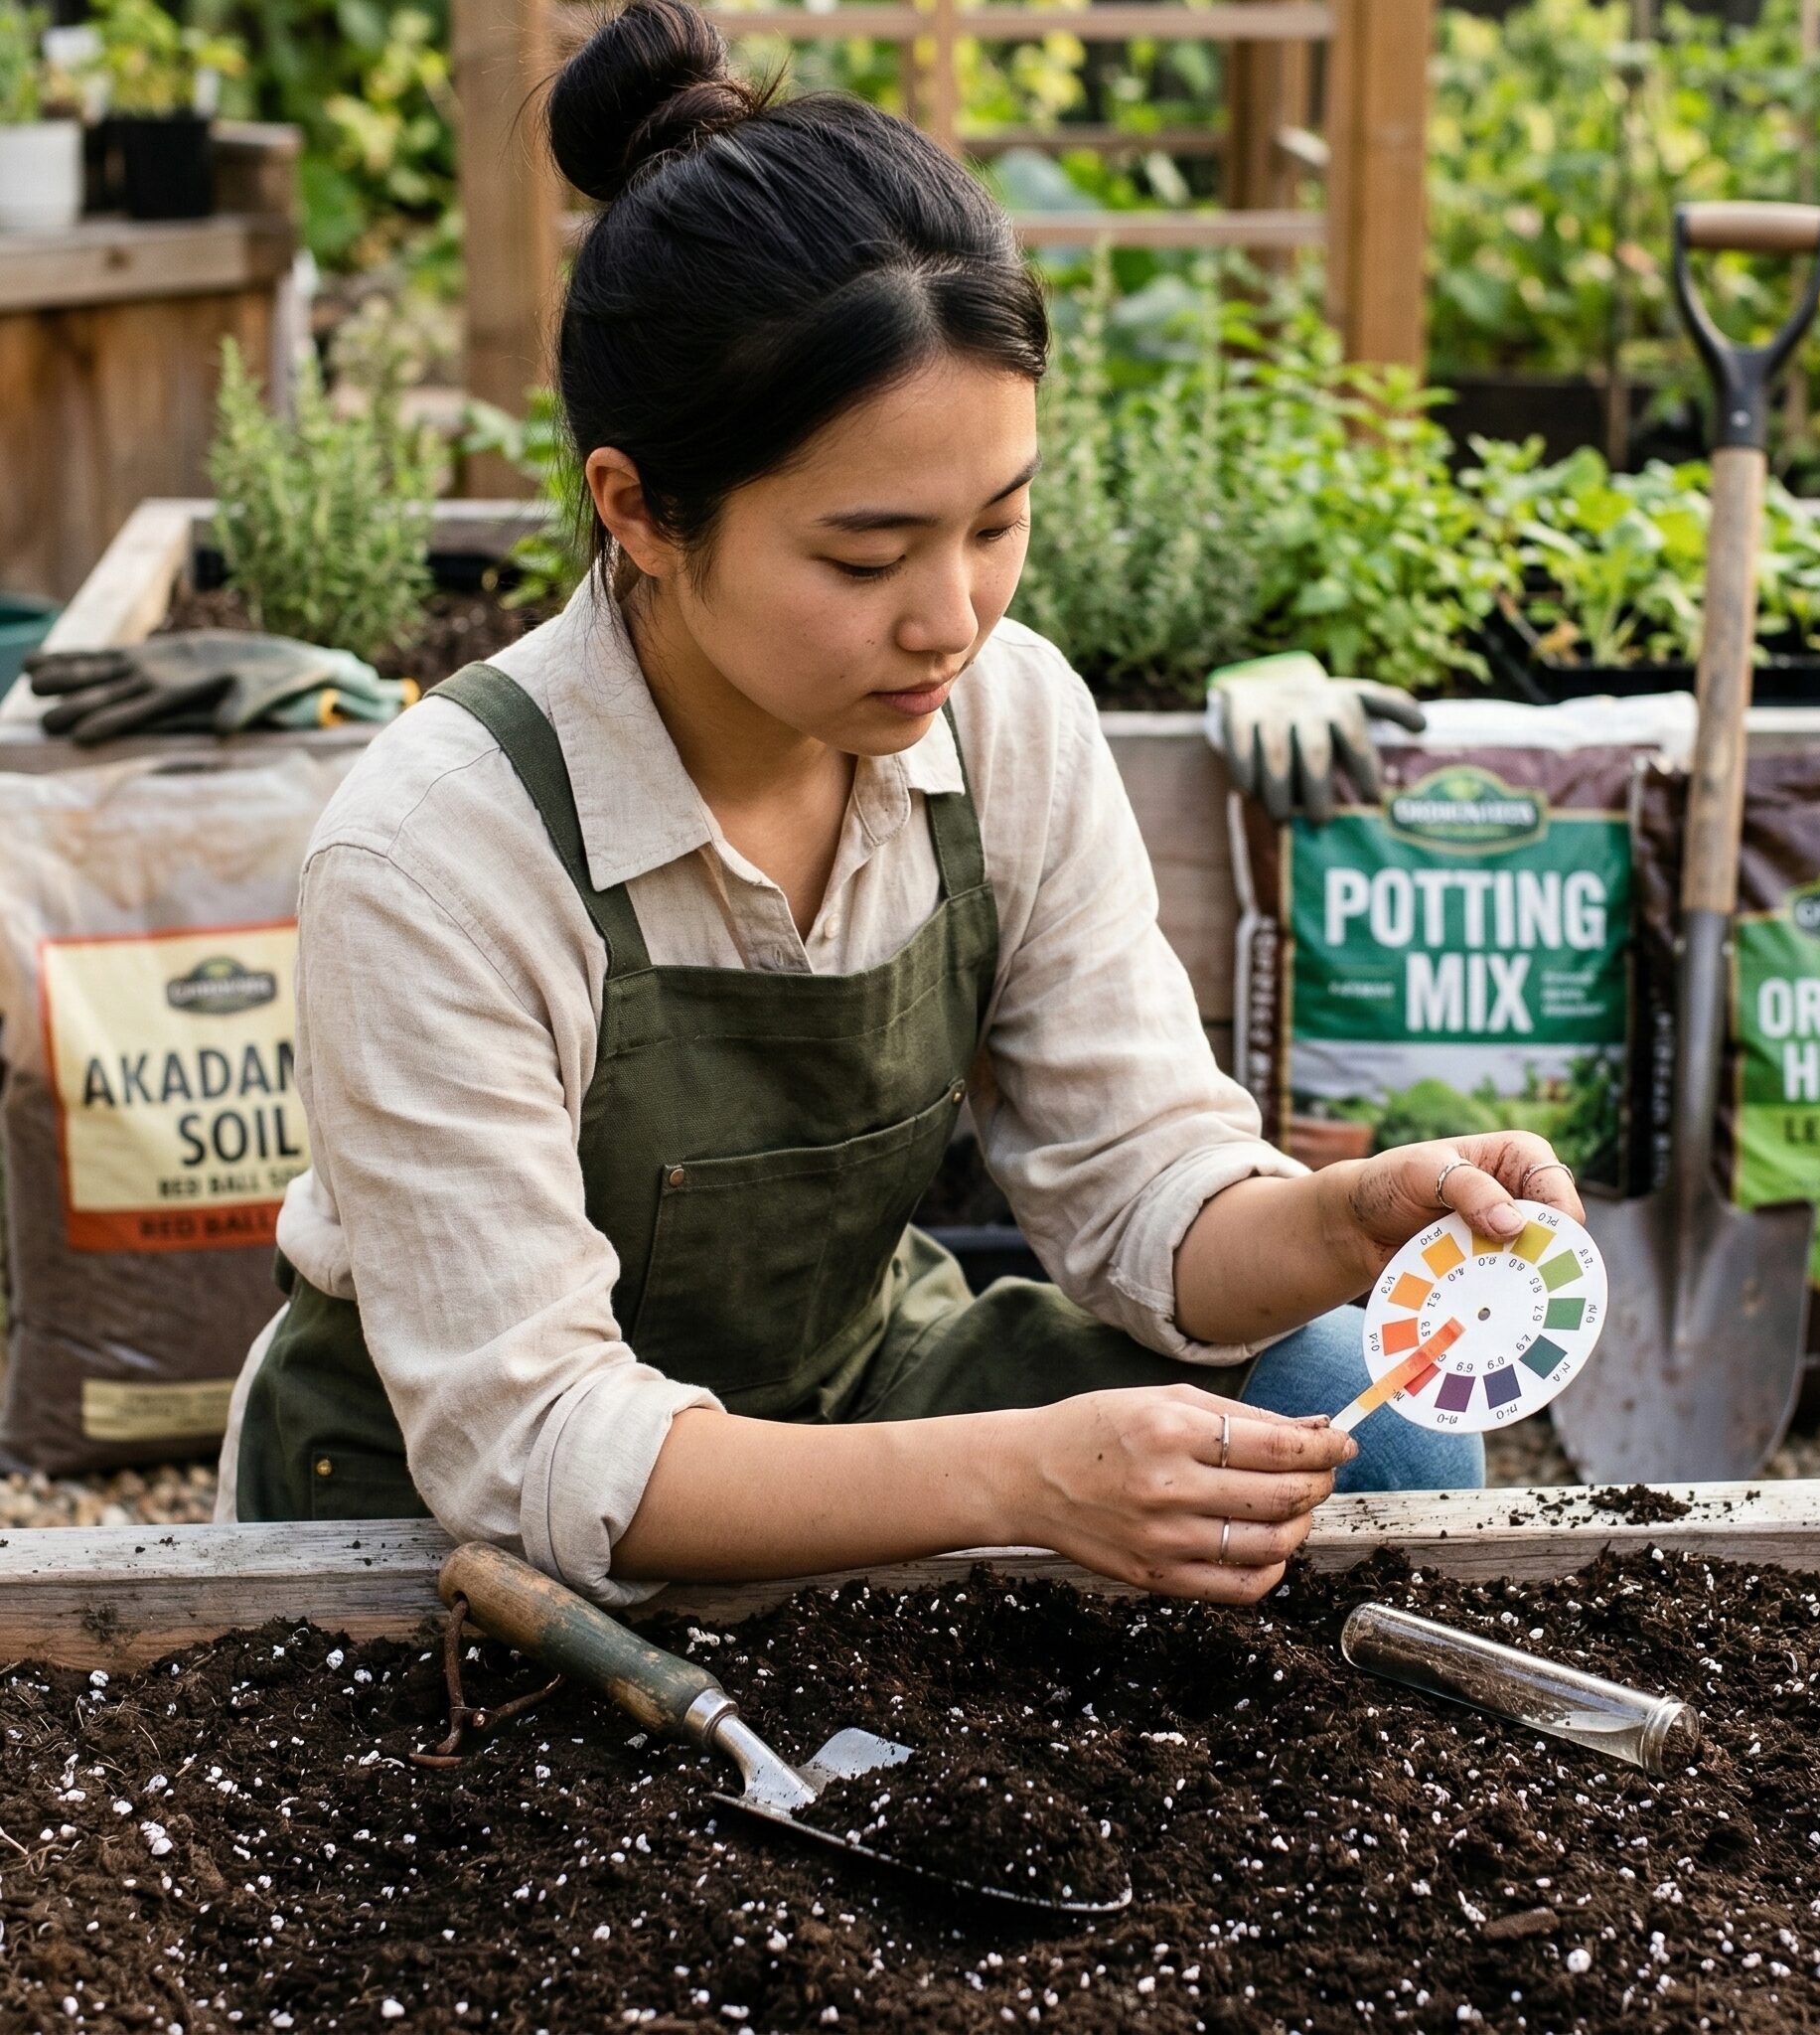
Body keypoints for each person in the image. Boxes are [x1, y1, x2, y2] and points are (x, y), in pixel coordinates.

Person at [215, 0, 1586, 1611]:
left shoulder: (1008, 723)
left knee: (1371, 1414)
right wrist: (1021, 1477)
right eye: (866, 557)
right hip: (464, 1523)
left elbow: (1138, 1178)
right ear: (638, 508)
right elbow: (537, 1444)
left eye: (996, 525)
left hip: (848, 1395)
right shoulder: (441, 848)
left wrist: (1345, 1222)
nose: (952, 619)